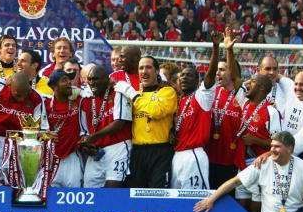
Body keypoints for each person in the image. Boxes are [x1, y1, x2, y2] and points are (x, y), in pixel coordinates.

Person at [194, 131, 303, 212]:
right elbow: (235, 181)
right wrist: (211, 199)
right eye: (271, 146)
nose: (272, 150)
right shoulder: (262, 164)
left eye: (277, 147)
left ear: (290, 148)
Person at [118, 55, 177, 188]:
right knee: (136, 197)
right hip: (137, 152)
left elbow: (156, 111)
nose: (144, 71)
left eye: (148, 67)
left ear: (156, 71)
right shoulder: (135, 95)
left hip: (160, 152)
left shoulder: (167, 92)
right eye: (141, 68)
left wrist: (133, 96)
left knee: (158, 196)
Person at [170, 32, 218, 189]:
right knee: (176, 201)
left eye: (189, 76)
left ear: (198, 81)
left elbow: (210, 76)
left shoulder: (202, 96)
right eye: (182, 76)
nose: (184, 78)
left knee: (194, 201)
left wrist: (216, 47)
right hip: (177, 156)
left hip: (194, 155)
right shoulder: (178, 101)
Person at [0, 71, 48, 185]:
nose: (22, 99)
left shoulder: (37, 98)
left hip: (21, 143)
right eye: (17, 95)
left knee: (19, 181)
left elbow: (42, 128)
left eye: (25, 95)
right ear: (10, 85)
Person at [234, 74, 282, 211]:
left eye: (252, 82)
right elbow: (236, 80)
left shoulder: (271, 112)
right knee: (240, 210)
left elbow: (277, 144)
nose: (248, 84)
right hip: (242, 163)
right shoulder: (245, 104)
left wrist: (255, 140)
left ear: (261, 88)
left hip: (260, 164)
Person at [80, 65, 132, 187]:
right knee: (90, 189)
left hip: (118, 146)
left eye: (96, 79)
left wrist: (94, 137)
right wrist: (87, 145)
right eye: (90, 79)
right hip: (96, 152)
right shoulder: (85, 100)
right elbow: (84, 132)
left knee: (112, 187)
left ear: (106, 79)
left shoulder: (118, 93)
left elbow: (119, 123)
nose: (92, 82)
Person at [206, 29, 246, 188]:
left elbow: (236, 79)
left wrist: (229, 49)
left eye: (222, 69)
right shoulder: (211, 91)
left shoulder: (240, 93)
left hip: (230, 159)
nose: (218, 73)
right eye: (217, 70)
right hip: (209, 156)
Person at [45, 70, 84, 188]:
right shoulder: (45, 104)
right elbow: (36, 130)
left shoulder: (79, 101)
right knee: (50, 200)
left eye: (69, 80)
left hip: (72, 158)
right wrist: (43, 134)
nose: (69, 83)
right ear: (54, 86)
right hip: (51, 158)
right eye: (64, 80)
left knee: (74, 201)